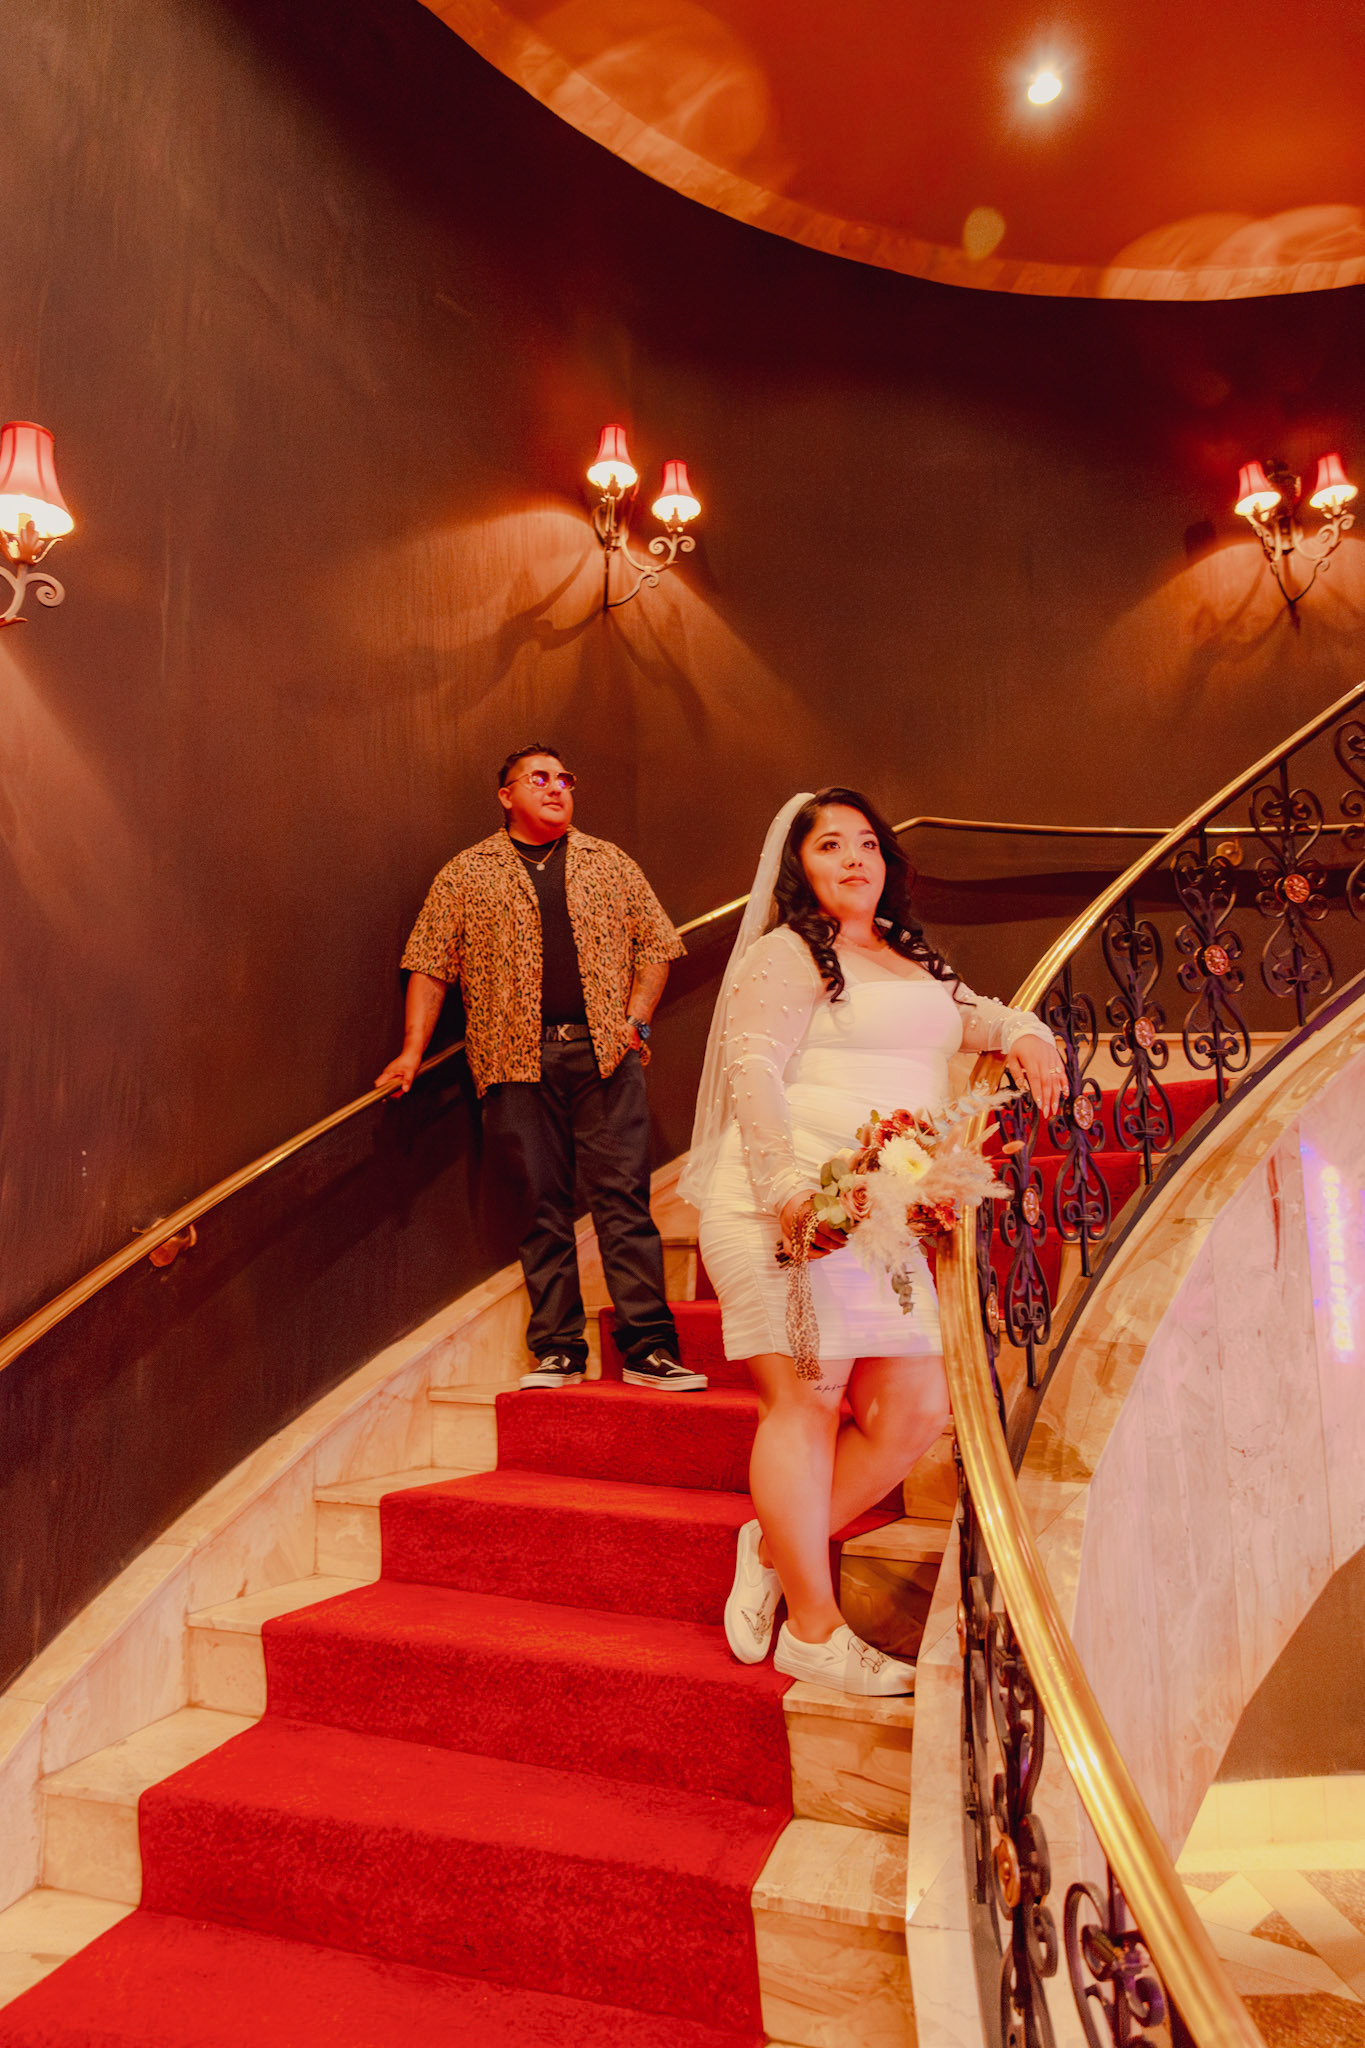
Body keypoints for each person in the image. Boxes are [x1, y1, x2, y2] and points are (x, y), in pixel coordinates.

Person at [681, 789, 1066, 1694]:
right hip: (787, 1208)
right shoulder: (786, 953)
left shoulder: (904, 953)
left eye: (867, 843)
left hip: (877, 1215)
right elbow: (751, 1072)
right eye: (830, 845)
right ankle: (813, 1634)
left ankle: (773, 1545)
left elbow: (972, 1016)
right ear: (798, 865)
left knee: (912, 1412)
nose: (854, 858)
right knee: (806, 1405)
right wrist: (784, 1190)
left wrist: (1025, 1029)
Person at [378, 744, 706, 1392]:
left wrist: (636, 1020)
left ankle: (648, 1349)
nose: (557, 788)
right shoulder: (466, 873)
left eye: (564, 779)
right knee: (538, 1205)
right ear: (506, 795)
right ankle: (558, 1350)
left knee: (623, 1200)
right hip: (512, 1058)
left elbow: (657, 944)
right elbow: (430, 964)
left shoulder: (608, 862)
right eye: (539, 778)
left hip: (604, 1055)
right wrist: (412, 1050)